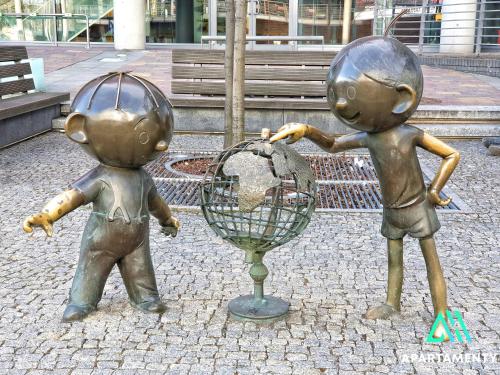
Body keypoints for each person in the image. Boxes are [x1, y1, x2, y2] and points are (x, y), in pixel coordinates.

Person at [270, 36, 460, 340]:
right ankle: (391, 302)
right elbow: (332, 144)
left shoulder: (410, 134)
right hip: (391, 210)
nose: (343, 103)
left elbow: (451, 154)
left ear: (402, 98)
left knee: (431, 261)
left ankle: (441, 315)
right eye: (339, 95)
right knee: (394, 258)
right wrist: (305, 130)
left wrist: (435, 190)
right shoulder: (370, 137)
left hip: (417, 206)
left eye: (352, 93)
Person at [23, 72, 179, 322]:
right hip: (101, 239)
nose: (162, 146)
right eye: (146, 136)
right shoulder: (100, 177)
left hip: (137, 240)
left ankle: (145, 296)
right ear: (79, 130)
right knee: (91, 268)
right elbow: (72, 197)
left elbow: (156, 203)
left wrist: (167, 219)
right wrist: (49, 214)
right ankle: (82, 301)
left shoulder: (143, 179)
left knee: (141, 269)